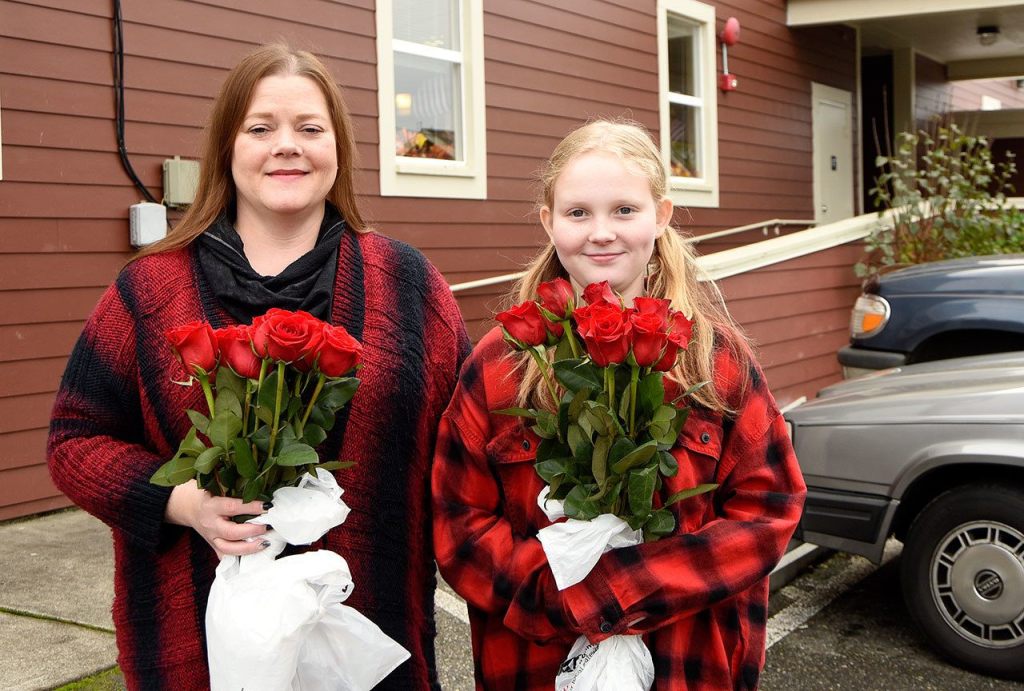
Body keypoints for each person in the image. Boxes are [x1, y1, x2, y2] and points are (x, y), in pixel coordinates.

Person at [47, 43, 469, 690]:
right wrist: (179, 499)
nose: (287, 146)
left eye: (309, 128)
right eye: (261, 128)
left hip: (374, 644)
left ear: (339, 148)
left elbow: (472, 448)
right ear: (228, 147)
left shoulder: (409, 286)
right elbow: (74, 439)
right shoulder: (148, 291)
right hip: (199, 651)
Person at [432, 119, 807, 690]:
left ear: (662, 215)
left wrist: (620, 590)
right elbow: (460, 528)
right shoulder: (500, 363)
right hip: (537, 661)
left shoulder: (715, 360)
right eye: (578, 213)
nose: (601, 233)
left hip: (688, 664)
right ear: (548, 223)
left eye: (624, 211)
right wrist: (564, 597)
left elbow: (768, 508)